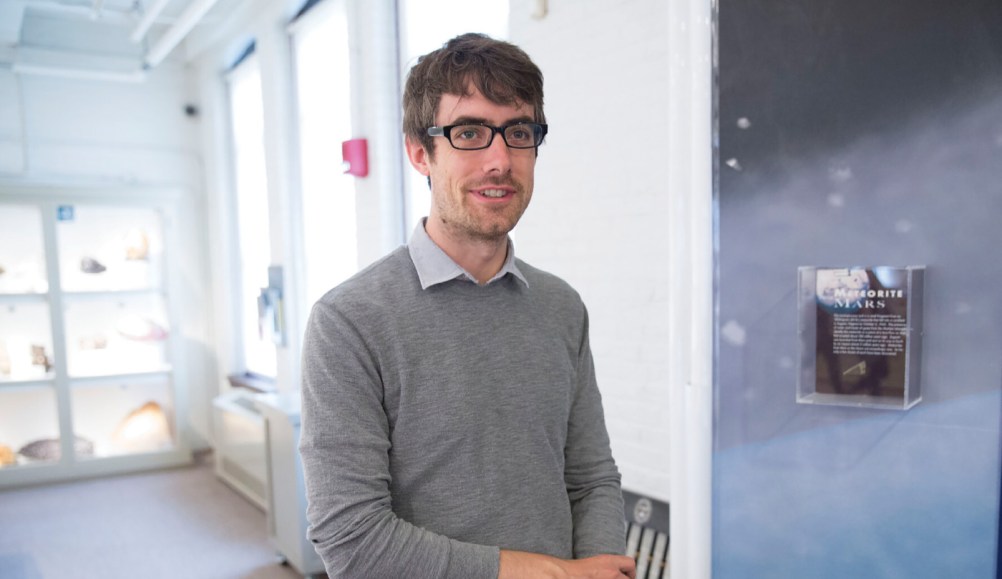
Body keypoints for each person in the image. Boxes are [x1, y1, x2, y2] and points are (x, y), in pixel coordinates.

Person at [299, 33, 635, 579]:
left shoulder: (561, 307)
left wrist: (596, 569)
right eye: (470, 133)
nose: (500, 161)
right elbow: (351, 539)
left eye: (518, 132)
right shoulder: (349, 321)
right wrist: (551, 574)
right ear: (419, 151)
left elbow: (591, 477)